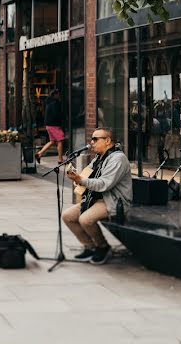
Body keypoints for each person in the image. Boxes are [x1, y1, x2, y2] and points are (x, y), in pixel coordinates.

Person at [64, 128, 132, 264]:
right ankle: (90, 247)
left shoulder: (118, 158)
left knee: (85, 219)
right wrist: (76, 175)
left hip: (113, 201)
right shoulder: (99, 158)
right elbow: (87, 176)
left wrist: (80, 180)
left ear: (107, 141)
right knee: (68, 216)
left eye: (95, 139)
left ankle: (103, 247)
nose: (91, 143)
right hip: (96, 199)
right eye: (91, 139)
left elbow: (104, 184)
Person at [37, 89, 65, 162]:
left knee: (52, 141)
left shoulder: (48, 102)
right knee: (60, 140)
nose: (59, 96)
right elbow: (56, 115)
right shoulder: (55, 103)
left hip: (49, 125)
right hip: (54, 125)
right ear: (55, 95)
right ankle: (60, 159)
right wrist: (62, 118)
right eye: (58, 94)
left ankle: (39, 154)